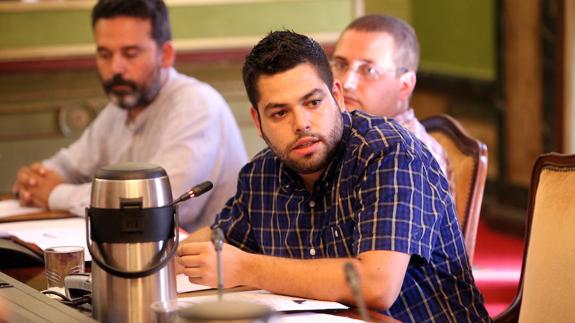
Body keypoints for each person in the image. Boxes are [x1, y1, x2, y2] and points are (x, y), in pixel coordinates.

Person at [177, 30, 489, 322]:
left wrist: (245, 268)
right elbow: (215, 247)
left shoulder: (389, 153)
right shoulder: (261, 174)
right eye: (279, 113)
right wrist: (157, 253)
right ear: (257, 122)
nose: (302, 124)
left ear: (337, 97)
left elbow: (376, 285)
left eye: (313, 102)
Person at [11, 0, 248, 231]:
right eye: (105, 54)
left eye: (130, 53)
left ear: (165, 55)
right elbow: (69, 166)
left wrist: (54, 194)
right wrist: (34, 179)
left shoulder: (197, 104)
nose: (116, 68)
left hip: (208, 265)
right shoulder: (119, 108)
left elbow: (159, 206)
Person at [332, 14, 452, 184]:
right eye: (341, 65)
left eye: (369, 70)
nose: (346, 83)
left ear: (404, 86)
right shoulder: (347, 133)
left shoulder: (408, 156)